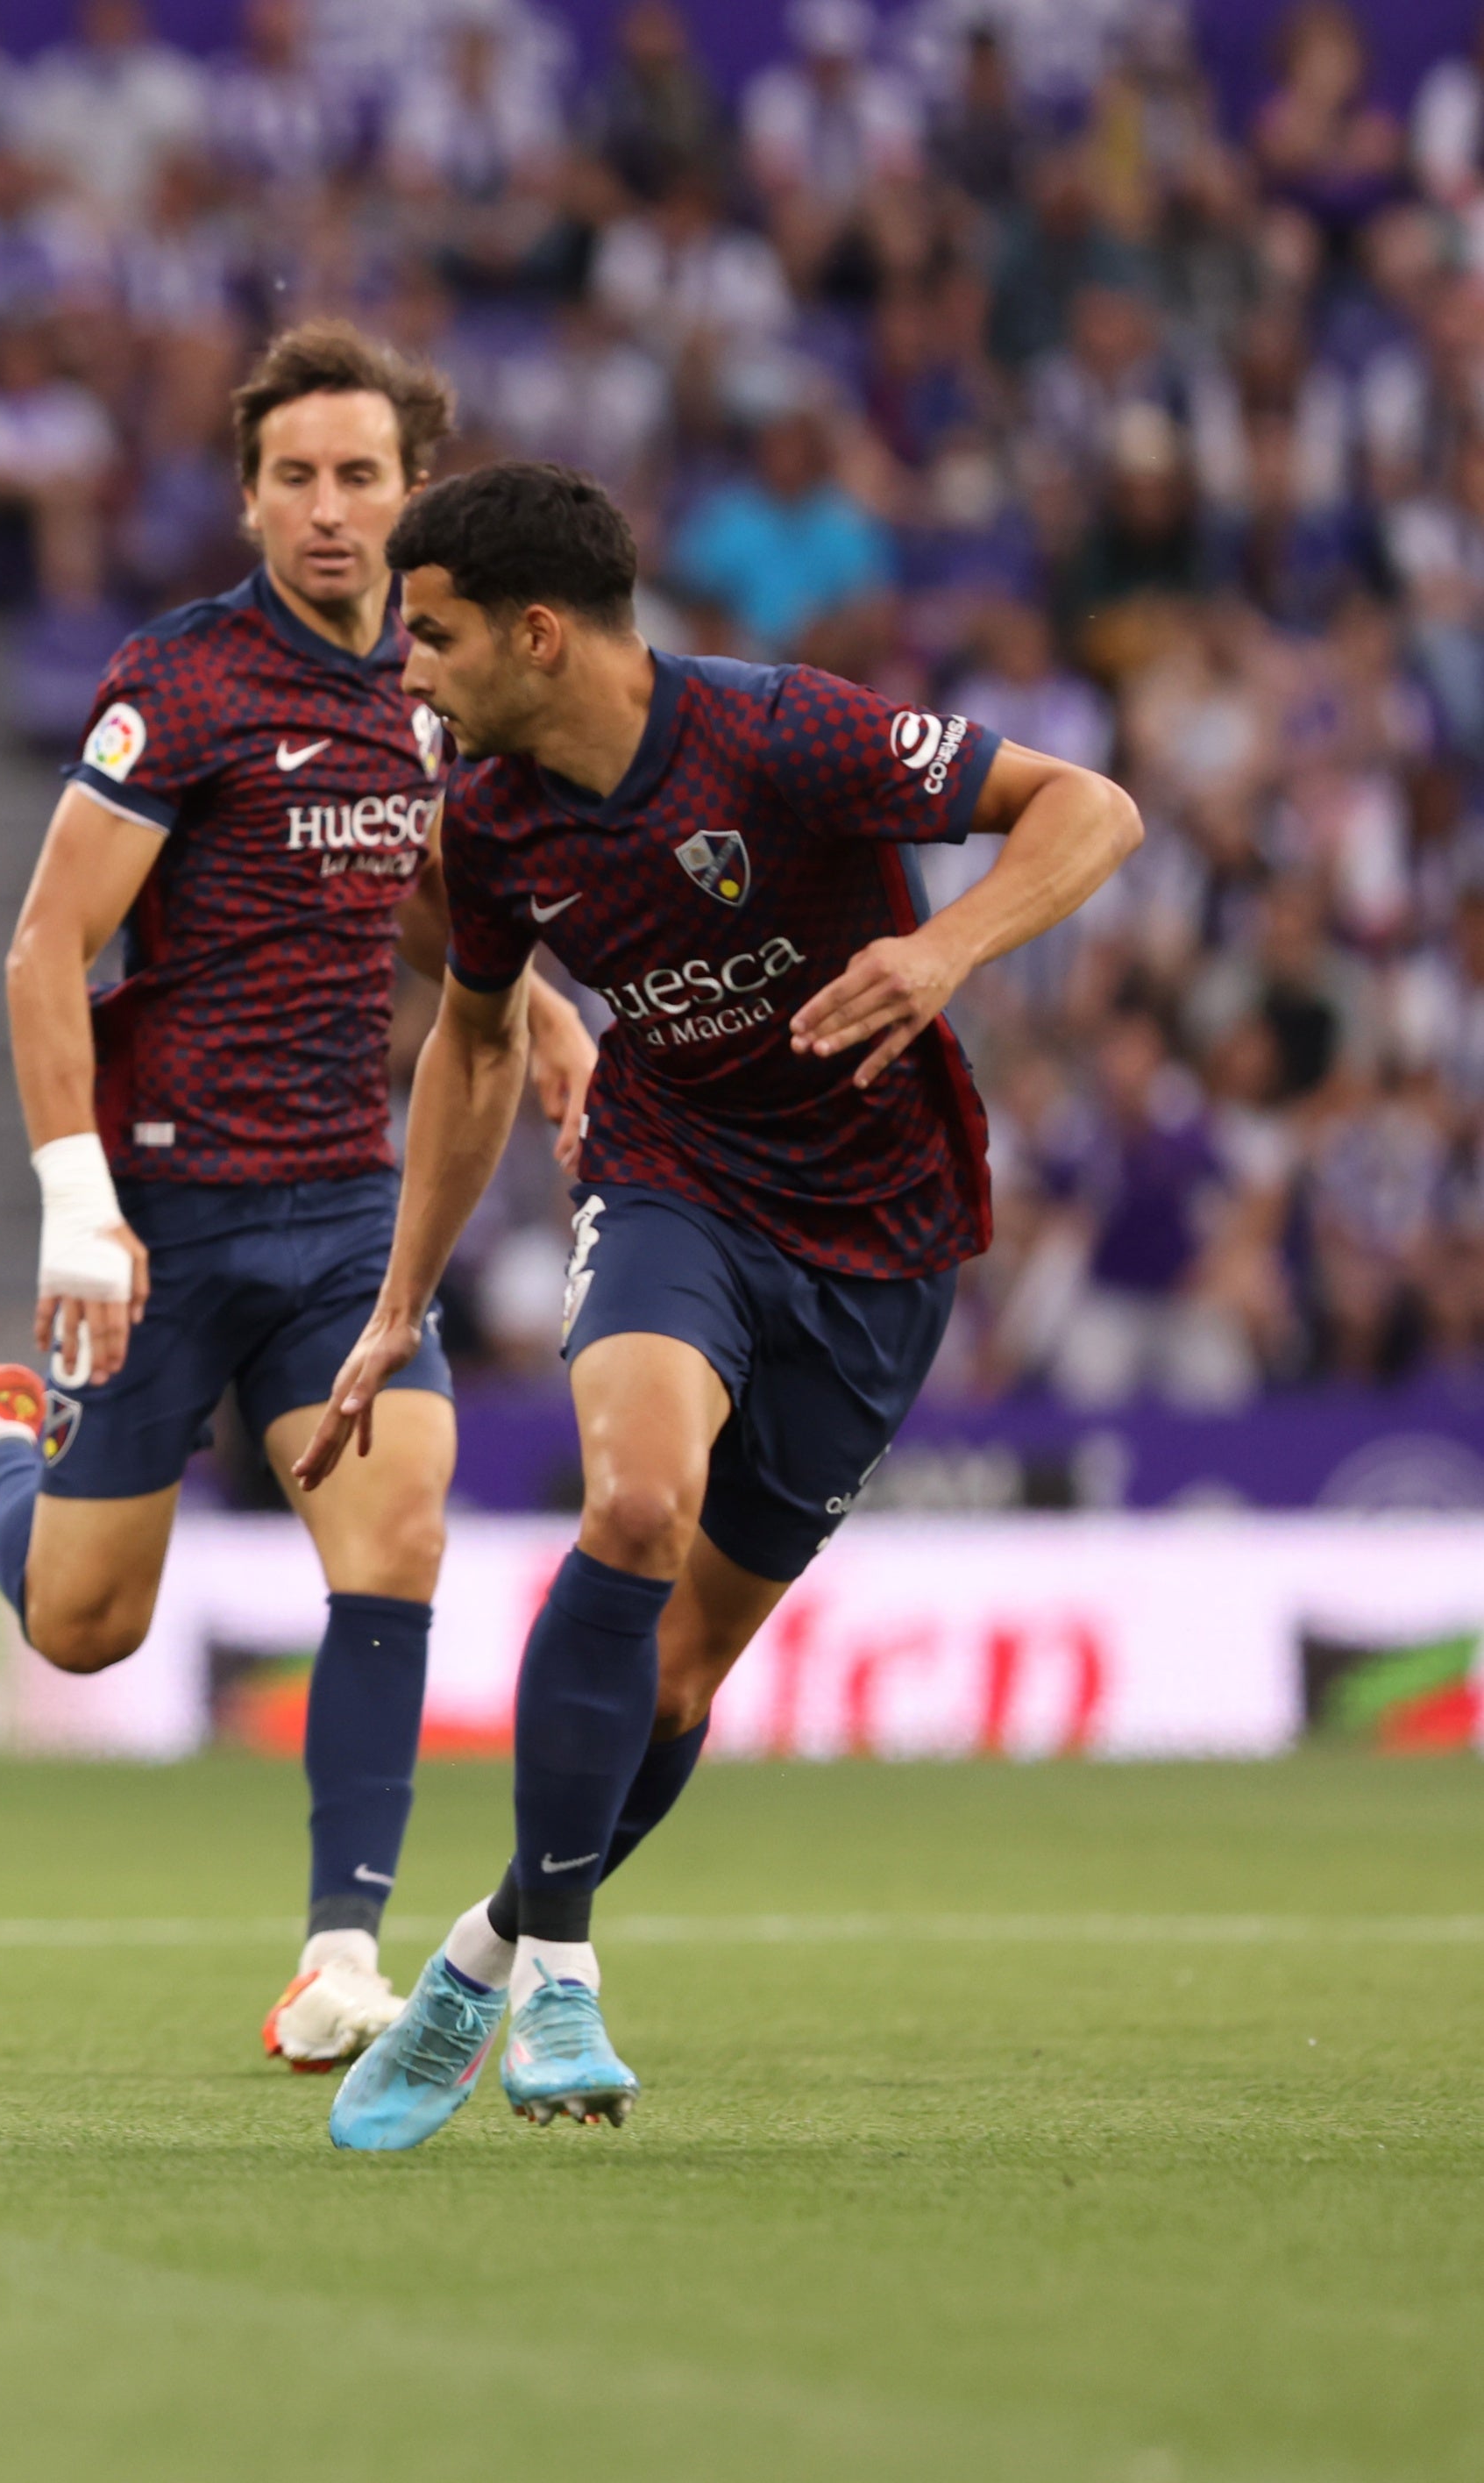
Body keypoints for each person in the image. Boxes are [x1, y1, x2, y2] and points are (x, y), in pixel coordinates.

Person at [302, 462, 1139, 2147]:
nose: (408, 668)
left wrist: (945, 947)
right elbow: (471, 1047)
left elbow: (1091, 809)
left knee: (679, 1677)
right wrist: (400, 1303)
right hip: (671, 1181)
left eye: (436, 634)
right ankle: (563, 1980)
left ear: (539, 633)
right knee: (633, 1499)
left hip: (881, 1239)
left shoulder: (783, 736)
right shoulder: (489, 820)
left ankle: (484, 1947)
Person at [0, 324, 594, 2070]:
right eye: (291, 479)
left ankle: (342, 1953)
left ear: (413, 493)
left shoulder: (432, 693)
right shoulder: (176, 685)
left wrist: (536, 1009)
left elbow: (404, 881)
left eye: (355, 478)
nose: (325, 512)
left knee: (396, 1531)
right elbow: (47, 946)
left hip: (347, 1209)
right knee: (87, 1628)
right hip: (164, 1217)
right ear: (248, 496)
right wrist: (72, 1203)